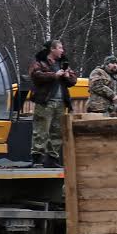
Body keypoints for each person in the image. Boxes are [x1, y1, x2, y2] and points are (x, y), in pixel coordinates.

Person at [28, 39, 77, 167]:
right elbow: (35, 76)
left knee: (57, 132)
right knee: (41, 130)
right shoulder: (40, 62)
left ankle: (52, 159)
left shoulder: (63, 64)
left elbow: (73, 81)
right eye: (60, 48)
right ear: (52, 49)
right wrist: (54, 75)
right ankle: (37, 158)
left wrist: (66, 76)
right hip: (45, 102)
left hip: (60, 103)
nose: (62, 50)